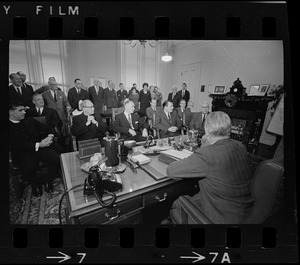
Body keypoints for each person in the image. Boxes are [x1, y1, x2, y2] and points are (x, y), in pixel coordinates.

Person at [166, 111, 253, 224]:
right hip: (245, 211)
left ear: (206, 131)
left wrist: (203, 148)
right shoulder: (240, 146)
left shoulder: (207, 155)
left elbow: (171, 171)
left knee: (177, 204)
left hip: (221, 218)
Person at [9, 101, 62, 197]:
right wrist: (39, 144)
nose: (24, 112)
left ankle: (48, 180)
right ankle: (34, 185)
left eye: (24, 110)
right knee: (30, 167)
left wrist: (49, 137)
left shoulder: (30, 120)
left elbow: (48, 128)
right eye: (20, 110)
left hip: (40, 148)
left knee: (55, 157)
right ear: (10, 112)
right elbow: (16, 145)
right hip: (22, 152)